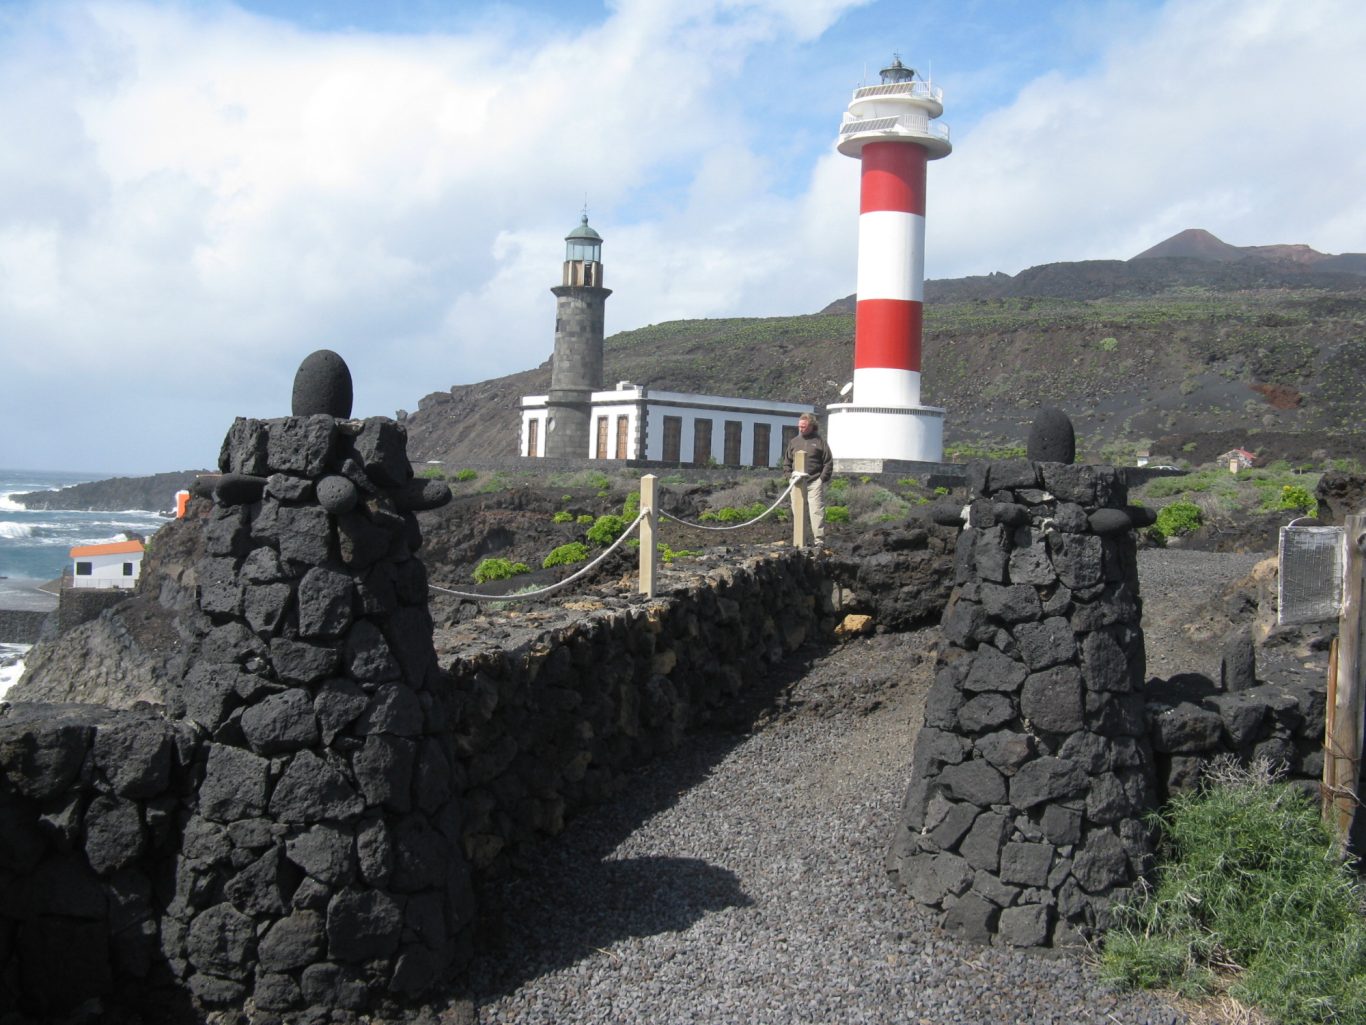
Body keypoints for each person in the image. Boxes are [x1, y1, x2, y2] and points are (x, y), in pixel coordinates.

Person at [783, 412, 833, 546]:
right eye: (799, 426)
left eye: (804, 426)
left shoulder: (820, 442)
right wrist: (789, 477)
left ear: (811, 426)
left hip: (814, 481)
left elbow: (828, 462)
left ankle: (819, 541)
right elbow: (787, 462)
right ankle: (799, 542)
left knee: (816, 511)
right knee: (797, 511)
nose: (801, 429)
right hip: (797, 482)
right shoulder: (794, 442)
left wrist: (822, 479)